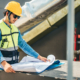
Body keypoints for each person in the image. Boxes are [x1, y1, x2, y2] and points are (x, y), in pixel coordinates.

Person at [0, 1, 48, 73]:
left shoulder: (15, 29)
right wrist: (4, 64)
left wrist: (39, 57)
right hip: (3, 68)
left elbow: (23, 45)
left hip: (13, 67)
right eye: (15, 16)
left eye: (18, 17)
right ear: (7, 13)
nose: (16, 19)